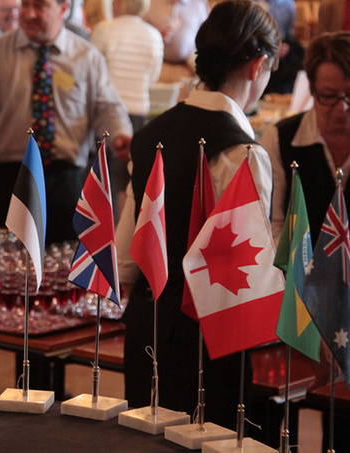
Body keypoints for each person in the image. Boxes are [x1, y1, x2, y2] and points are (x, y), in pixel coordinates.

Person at [117, 0, 279, 430]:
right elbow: (249, 273)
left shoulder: (153, 134)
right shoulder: (244, 152)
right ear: (258, 65)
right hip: (210, 341)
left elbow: (125, 258)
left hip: (147, 328)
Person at [0, 0, 132, 246]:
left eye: (40, 6)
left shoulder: (87, 57)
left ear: (63, 9)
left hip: (66, 179)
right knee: (9, 264)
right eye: (25, 5)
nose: (29, 14)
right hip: (9, 179)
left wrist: (120, 134)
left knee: (62, 263)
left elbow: (107, 106)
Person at [261, 30, 350, 449]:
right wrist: (301, 304)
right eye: (328, 96)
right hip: (297, 305)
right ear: (311, 88)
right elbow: (275, 227)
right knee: (282, 422)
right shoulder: (283, 138)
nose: (341, 109)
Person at [91, 0, 163, 132]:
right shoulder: (154, 35)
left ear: (119, 2)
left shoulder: (103, 29)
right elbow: (153, 77)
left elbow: (92, 72)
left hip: (108, 110)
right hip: (139, 108)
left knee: (103, 152)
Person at [145, 0, 207, 83]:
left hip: (187, 69)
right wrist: (156, 34)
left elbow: (206, 35)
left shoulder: (198, 5)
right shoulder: (152, 3)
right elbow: (141, 28)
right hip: (159, 66)